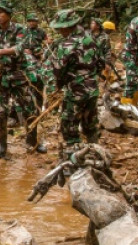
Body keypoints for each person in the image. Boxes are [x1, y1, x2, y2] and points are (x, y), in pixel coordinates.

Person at [0, 0, 44, 158]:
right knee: (0, 111)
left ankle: (33, 141)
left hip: (18, 74)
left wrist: (0, 52)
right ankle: (1, 145)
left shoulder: (20, 29)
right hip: (1, 77)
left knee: (29, 108)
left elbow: (19, 48)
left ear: (9, 15)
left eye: (1, 13)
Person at [43, 9, 103, 153]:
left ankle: (75, 158)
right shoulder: (92, 39)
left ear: (67, 27)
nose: (58, 32)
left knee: (69, 126)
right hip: (93, 89)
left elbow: (58, 71)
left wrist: (57, 86)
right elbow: (101, 64)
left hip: (76, 91)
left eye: (60, 29)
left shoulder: (66, 45)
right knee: (90, 123)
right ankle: (94, 152)